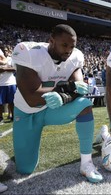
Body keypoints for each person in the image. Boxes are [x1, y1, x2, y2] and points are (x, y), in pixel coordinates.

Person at [11, 24, 103, 183]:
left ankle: (86, 163)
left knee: (84, 105)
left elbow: (79, 89)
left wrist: (65, 97)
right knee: (25, 169)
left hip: (53, 110)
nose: (68, 50)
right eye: (64, 45)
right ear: (51, 41)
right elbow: (31, 98)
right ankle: (26, 147)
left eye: (72, 46)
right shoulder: (30, 53)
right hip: (27, 112)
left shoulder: (75, 57)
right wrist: (65, 90)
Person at [0, 46, 17, 122]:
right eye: (3, 50)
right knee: (0, 103)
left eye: (6, 50)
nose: (5, 51)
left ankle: (13, 116)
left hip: (11, 82)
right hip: (0, 83)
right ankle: (0, 117)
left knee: (12, 101)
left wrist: (4, 69)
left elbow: (15, 68)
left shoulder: (10, 59)